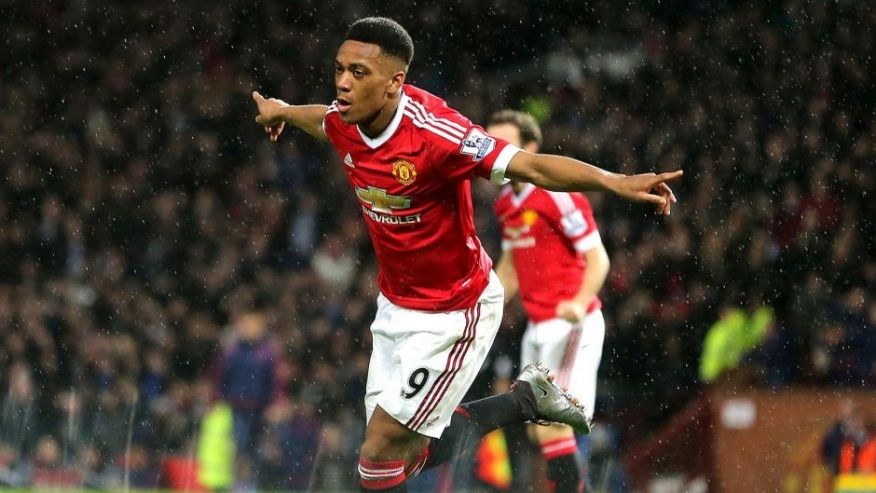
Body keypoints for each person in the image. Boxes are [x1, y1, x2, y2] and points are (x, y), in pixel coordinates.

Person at [251, 17, 681, 492]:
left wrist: (615, 181)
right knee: (381, 468)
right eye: (339, 70)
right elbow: (325, 121)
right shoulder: (346, 119)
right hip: (395, 305)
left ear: (396, 82)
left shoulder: (438, 135)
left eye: (358, 72)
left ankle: (521, 403)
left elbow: (532, 165)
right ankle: (525, 399)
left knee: (378, 447)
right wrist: (285, 111)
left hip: (456, 310)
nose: (343, 84)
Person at [488, 109, 609, 493]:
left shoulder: (558, 195)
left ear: (532, 148)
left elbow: (598, 258)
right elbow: (511, 267)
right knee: (541, 432)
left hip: (573, 323)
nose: (496, 153)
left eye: (506, 145)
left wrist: (578, 300)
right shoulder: (505, 204)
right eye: (492, 145)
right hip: (537, 327)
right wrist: (481, 307)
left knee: (556, 420)